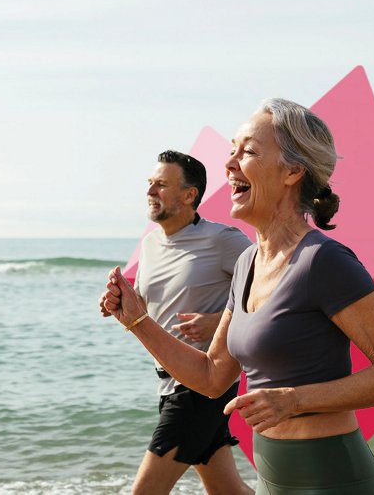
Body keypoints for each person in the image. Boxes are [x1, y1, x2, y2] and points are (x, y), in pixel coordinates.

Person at [103, 99, 374, 495]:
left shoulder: (323, 261)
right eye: (231, 150)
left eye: (249, 151)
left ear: (292, 171)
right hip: (274, 475)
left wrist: (294, 400)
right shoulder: (246, 265)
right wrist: (138, 321)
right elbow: (211, 376)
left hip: (331, 476)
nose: (230, 164)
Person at [98, 150, 254, 495]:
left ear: (189, 195)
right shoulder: (151, 243)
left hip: (203, 387)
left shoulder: (223, 240)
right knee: (227, 490)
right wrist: (116, 301)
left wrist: (219, 322)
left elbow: (273, 291)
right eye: (150, 184)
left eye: (162, 185)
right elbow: (142, 306)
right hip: (168, 384)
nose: (151, 191)